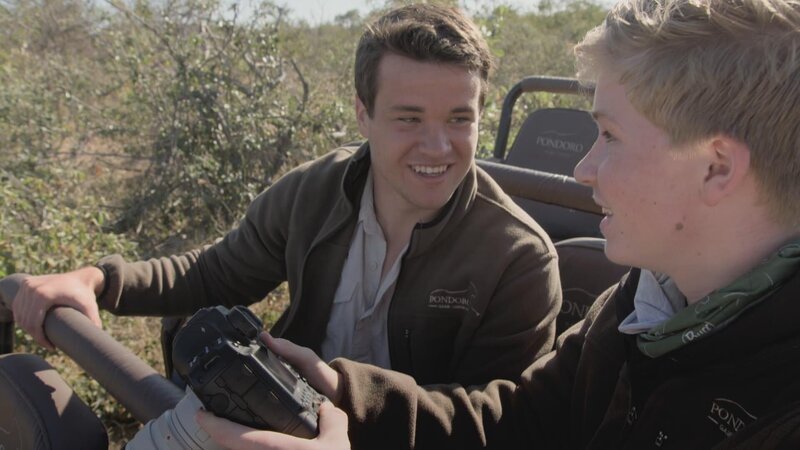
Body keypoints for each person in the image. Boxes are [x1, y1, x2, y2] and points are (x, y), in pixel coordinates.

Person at [193, 0, 800, 448]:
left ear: (716, 167)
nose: (584, 169)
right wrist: (345, 393)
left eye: (609, 135)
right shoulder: (643, 303)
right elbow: (515, 421)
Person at [11, 4, 560, 387]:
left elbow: (492, 419)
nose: (438, 146)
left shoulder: (518, 259)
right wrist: (98, 280)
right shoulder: (314, 192)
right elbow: (215, 273)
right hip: (278, 415)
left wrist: (345, 399)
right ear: (362, 114)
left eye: (459, 119)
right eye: (408, 118)